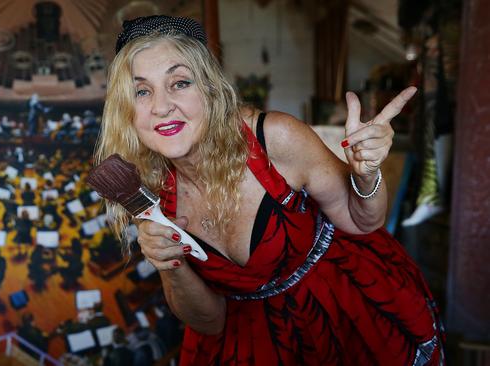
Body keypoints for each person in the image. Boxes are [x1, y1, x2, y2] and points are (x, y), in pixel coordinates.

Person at [93, 15, 444, 366]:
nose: (161, 105)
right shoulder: (150, 190)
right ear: (127, 110)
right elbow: (209, 321)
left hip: (344, 315)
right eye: (142, 91)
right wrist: (169, 263)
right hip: (254, 344)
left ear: (210, 90)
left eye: (180, 83)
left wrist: (367, 176)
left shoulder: (274, 138)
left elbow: (361, 221)